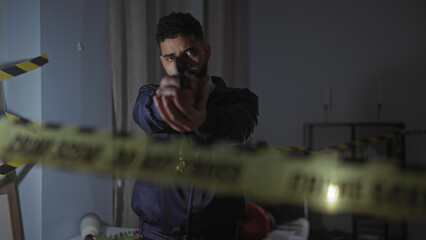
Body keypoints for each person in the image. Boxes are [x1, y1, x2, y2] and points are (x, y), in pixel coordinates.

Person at [132, 12, 259, 240]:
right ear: (162, 61)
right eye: (171, 57)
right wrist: (168, 104)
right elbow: (144, 113)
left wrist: (202, 118)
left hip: (216, 233)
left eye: (189, 52)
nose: (181, 64)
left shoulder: (240, 100)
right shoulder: (150, 94)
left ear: (206, 51)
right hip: (157, 234)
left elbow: (239, 129)